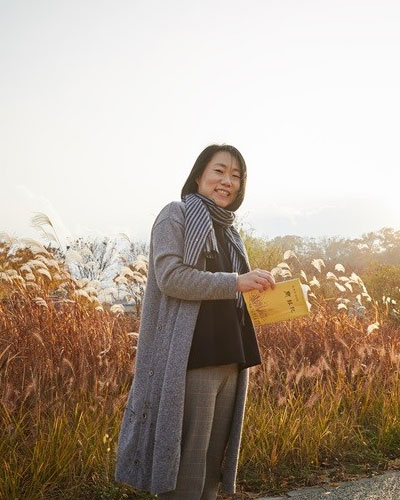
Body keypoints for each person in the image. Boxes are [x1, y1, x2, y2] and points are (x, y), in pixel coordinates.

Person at [114, 144, 275, 499]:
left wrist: (264, 287)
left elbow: (238, 291)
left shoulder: (231, 232)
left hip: (232, 357)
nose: (226, 181)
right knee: (186, 468)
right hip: (192, 358)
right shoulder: (177, 215)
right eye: (219, 171)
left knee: (212, 470)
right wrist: (235, 281)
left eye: (235, 175)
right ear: (199, 175)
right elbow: (171, 277)